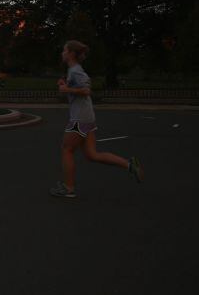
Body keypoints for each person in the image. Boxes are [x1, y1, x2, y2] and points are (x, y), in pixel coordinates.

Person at [50, 40, 143, 198]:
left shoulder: (75, 70)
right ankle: (130, 165)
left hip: (79, 118)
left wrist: (66, 88)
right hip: (87, 118)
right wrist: (66, 86)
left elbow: (86, 91)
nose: (62, 53)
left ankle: (68, 188)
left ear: (71, 53)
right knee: (92, 155)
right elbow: (81, 88)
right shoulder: (74, 70)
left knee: (67, 150)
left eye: (65, 50)